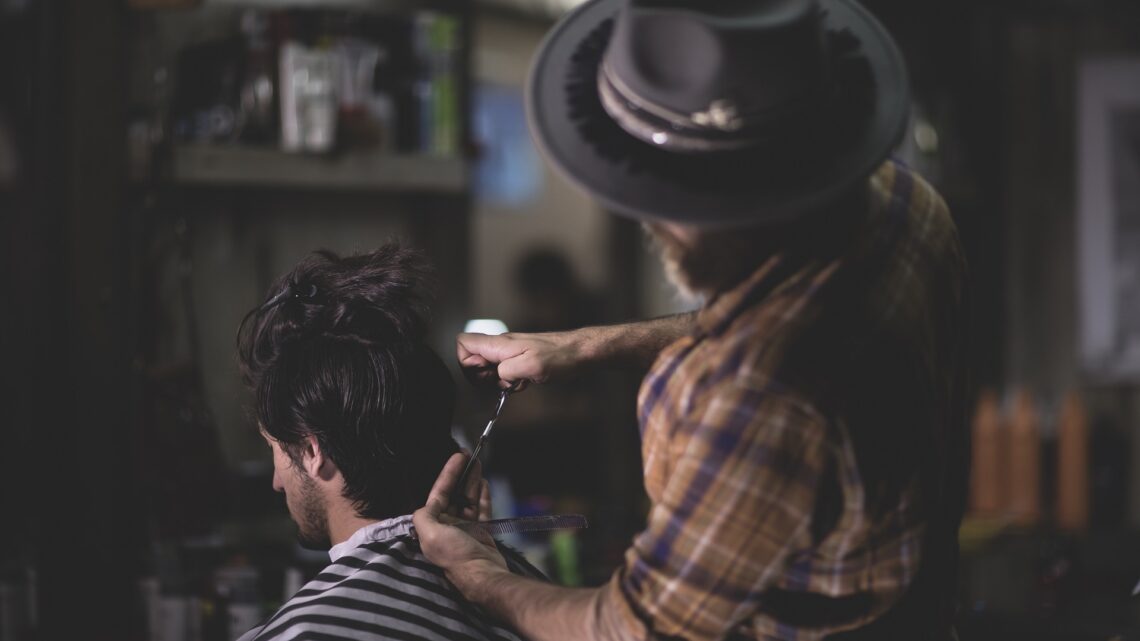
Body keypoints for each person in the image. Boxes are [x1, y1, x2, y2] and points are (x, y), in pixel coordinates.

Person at [413, 1, 968, 640]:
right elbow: (760, 317)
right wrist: (584, 347)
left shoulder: (750, 401)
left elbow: (630, 629)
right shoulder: (905, 209)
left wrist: (478, 574)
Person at [234, 246, 545, 641]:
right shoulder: (543, 605)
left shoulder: (298, 634)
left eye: (276, 449)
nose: (277, 482)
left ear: (312, 452)